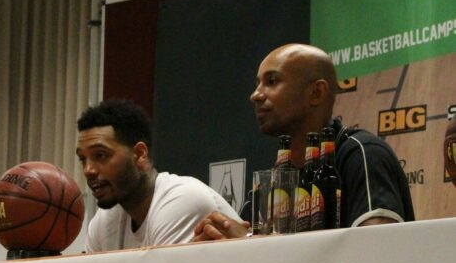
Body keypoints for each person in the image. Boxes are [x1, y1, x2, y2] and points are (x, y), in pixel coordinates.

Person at [195, 43, 415, 241]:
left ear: (316, 93)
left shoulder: (362, 154)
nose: (256, 95)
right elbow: (247, 250)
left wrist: (249, 242)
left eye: (272, 81)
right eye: (258, 83)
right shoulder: (274, 180)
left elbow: (378, 247)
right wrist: (218, 244)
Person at [76, 98, 241, 251]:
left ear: (139, 154)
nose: (88, 170)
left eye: (100, 155)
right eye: (83, 159)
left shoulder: (181, 200)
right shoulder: (104, 222)